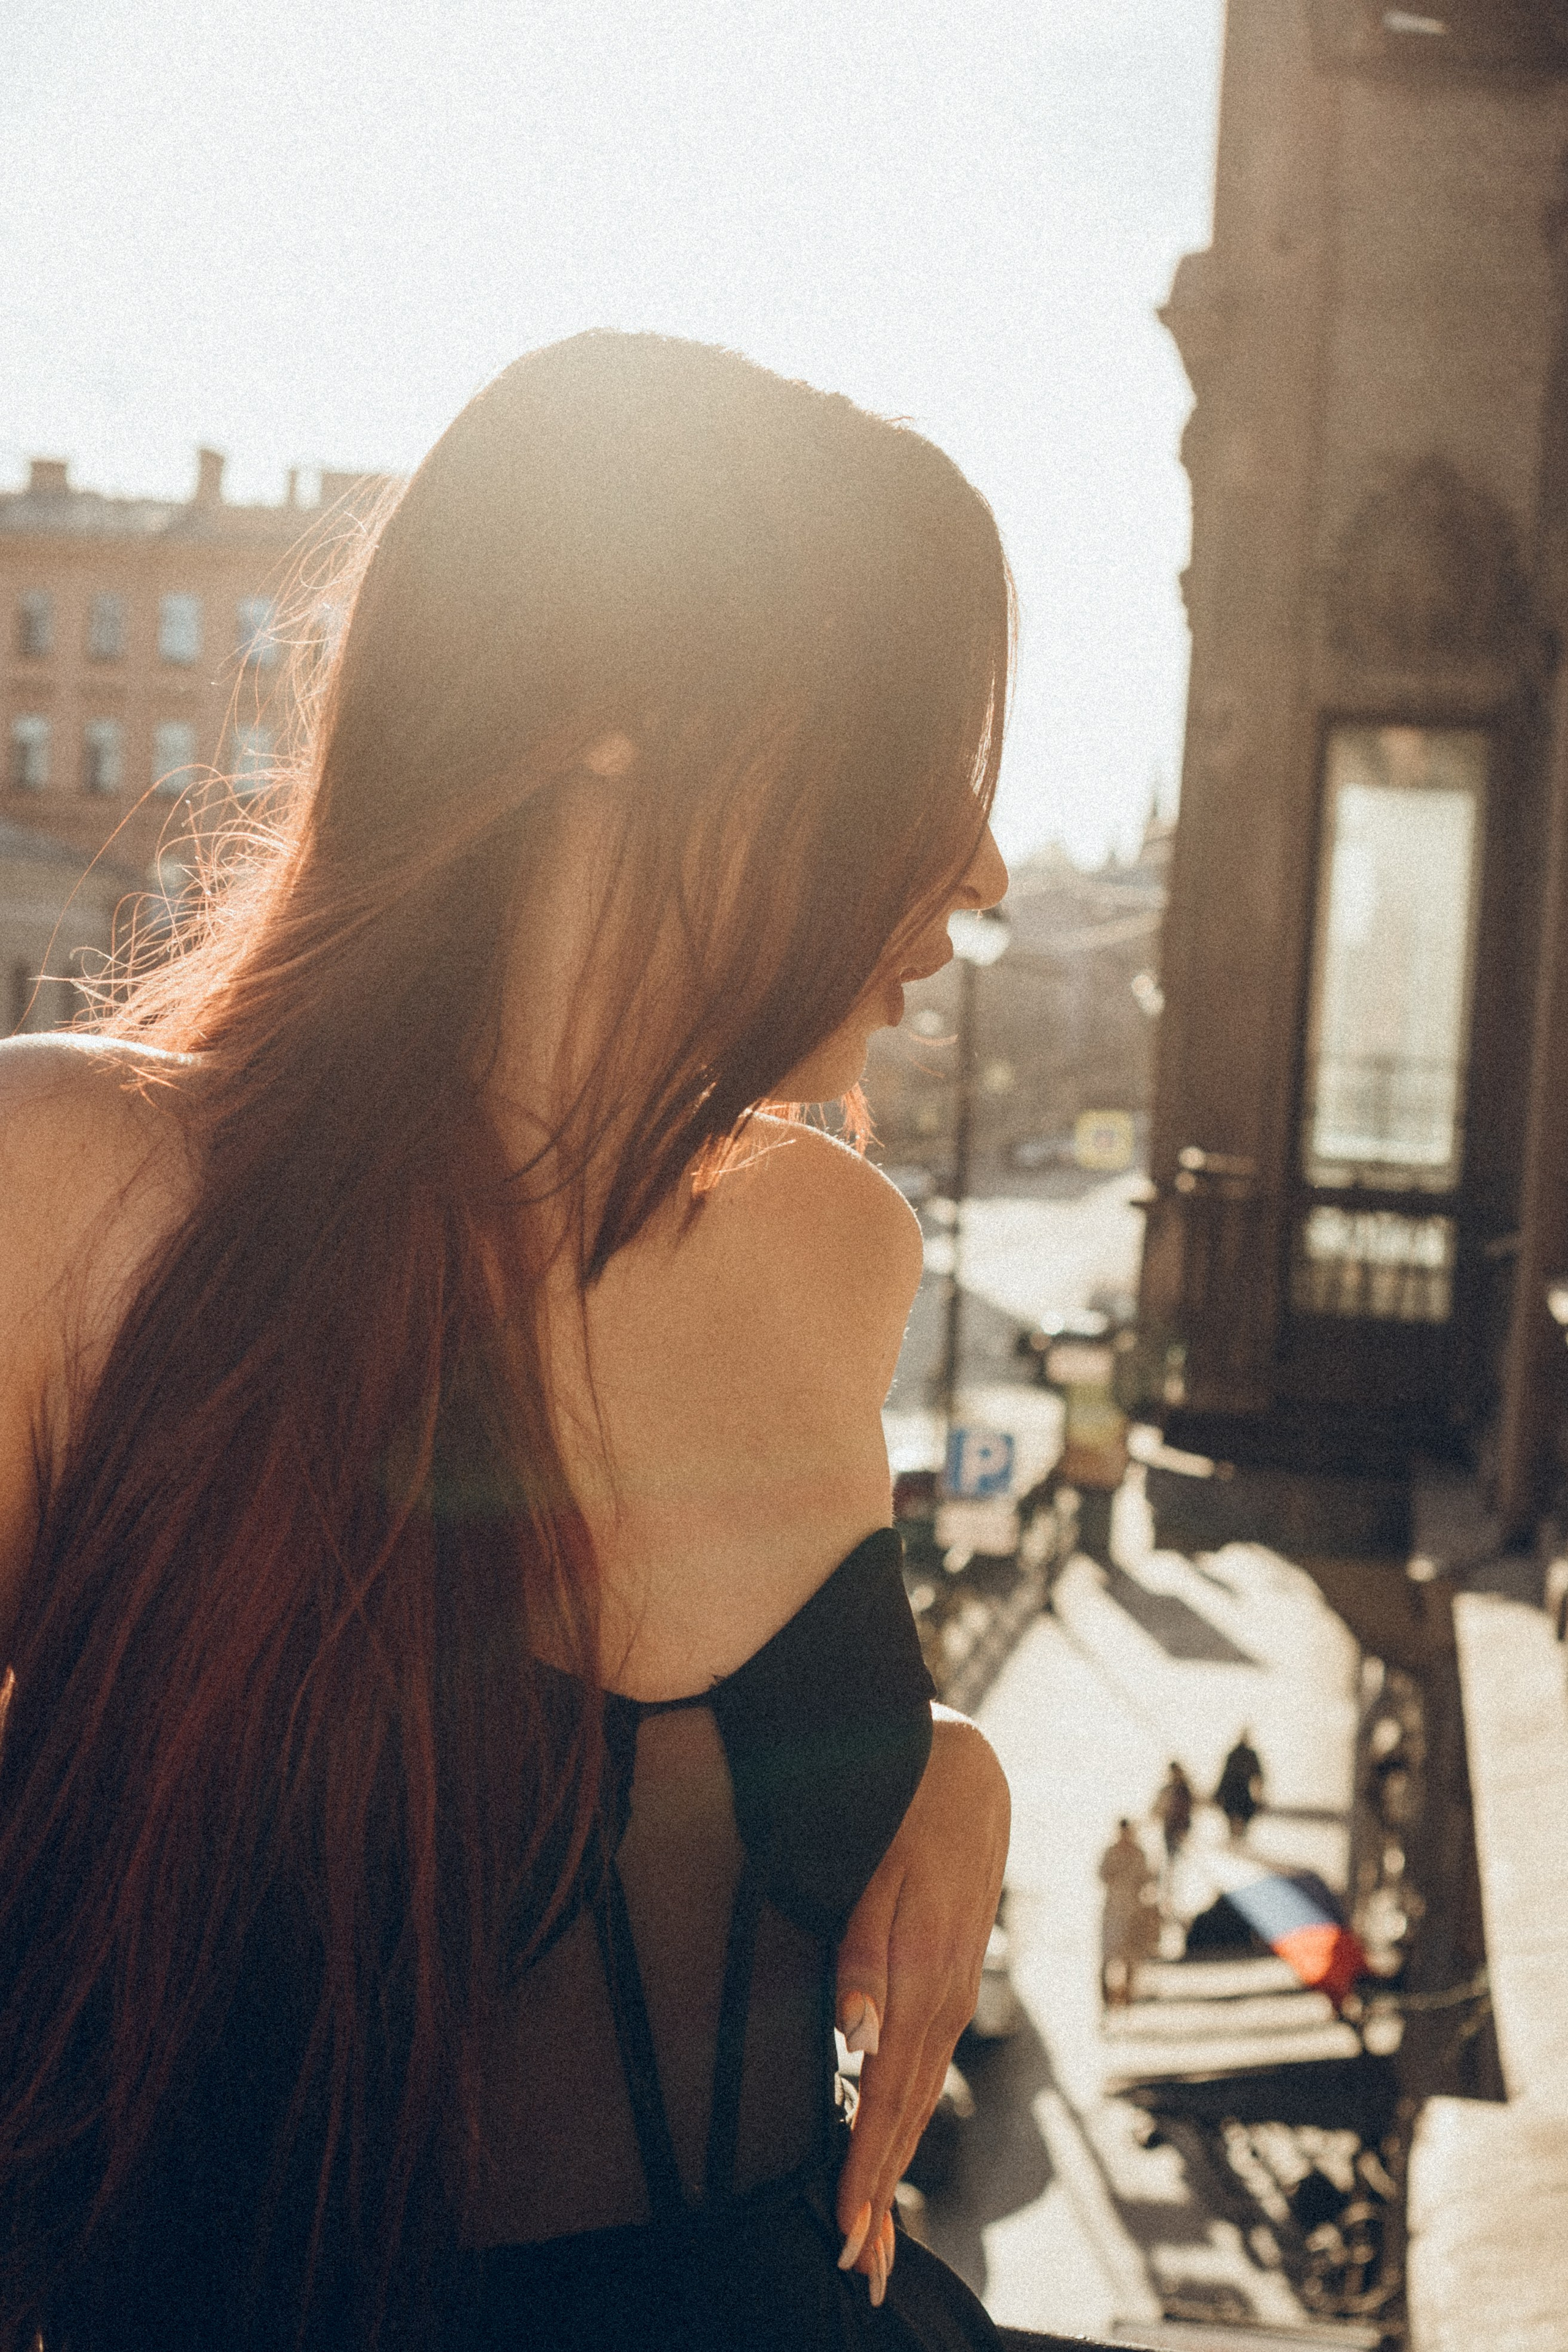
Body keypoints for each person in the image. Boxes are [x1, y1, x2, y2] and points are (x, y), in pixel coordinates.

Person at [0, 336, 1015, 2350]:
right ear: (626, 709)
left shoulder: (842, 1248)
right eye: (915, 744)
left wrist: (941, 1767)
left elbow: (713, 1789)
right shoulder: (80, 1186)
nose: (981, 868)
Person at [1098, 1820, 1156, 2008]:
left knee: (1131, 1957)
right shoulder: (1111, 1852)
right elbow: (1103, 1875)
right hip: (1113, 1912)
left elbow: (1146, 1879)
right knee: (1108, 1956)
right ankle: (1106, 1999)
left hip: (1133, 1912)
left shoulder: (1138, 1853)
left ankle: (1128, 1996)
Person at [1215, 1730, 1265, 1842]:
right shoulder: (1236, 1755)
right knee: (1237, 1818)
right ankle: (1236, 1840)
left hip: (1240, 1794)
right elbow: (1225, 1776)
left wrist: (1260, 1796)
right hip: (1235, 1794)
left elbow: (1259, 1777)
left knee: (1240, 1818)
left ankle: (1238, 1840)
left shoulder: (1246, 1755)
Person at [1151, 1761, 1194, 1868]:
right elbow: (1157, 1809)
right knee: (1172, 1859)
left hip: (1183, 1830)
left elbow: (1194, 1804)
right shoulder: (1168, 1790)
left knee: (1184, 1859)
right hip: (1171, 1829)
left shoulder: (1186, 1791)